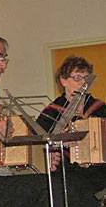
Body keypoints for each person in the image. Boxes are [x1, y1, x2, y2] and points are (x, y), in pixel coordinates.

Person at [0, 32, 99, 207]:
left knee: (75, 187)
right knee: (54, 190)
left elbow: (6, 155)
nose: (3, 66)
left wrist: (43, 159)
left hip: (3, 178)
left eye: (5, 59)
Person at [37, 56, 106, 198]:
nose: (83, 83)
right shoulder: (51, 112)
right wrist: (60, 143)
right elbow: (39, 147)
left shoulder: (100, 108)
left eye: (86, 78)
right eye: (77, 78)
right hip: (66, 173)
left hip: (100, 171)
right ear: (63, 81)